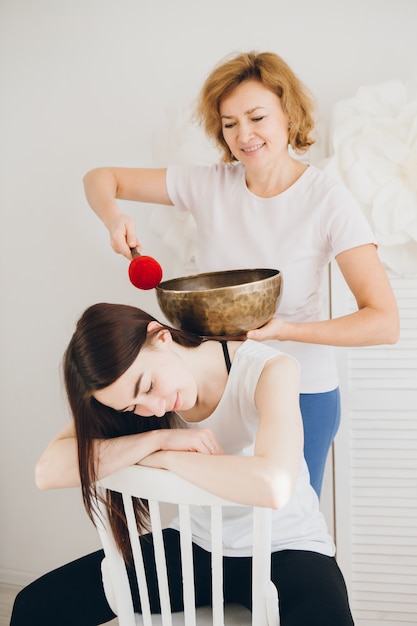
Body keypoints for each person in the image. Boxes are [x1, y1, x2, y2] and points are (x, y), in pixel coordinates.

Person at [82, 51, 400, 497]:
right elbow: (101, 177)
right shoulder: (209, 184)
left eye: (256, 117)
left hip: (301, 392)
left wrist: (286, 329)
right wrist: (114, 218)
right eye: (230, 123)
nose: (243, 135)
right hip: (223, 392)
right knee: (222, 525)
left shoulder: (328, 200)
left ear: (289, 115)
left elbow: (384, 323)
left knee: (286, 525)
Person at [11, 303, 354, 626]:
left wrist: (167, 459)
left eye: (147, 386)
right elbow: (48, 471)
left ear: (161, 336)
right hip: (198, 544)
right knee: (33, 607)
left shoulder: (269, 369)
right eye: (132, 409)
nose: (154, 409)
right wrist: (154, 440)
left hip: (288, 548)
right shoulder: (140, 404)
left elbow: (273, 485)